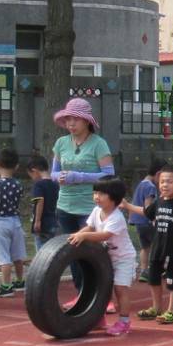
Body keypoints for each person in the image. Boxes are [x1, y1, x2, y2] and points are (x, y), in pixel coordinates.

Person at [51, 97, 115, 285]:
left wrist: (78, 177)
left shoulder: (98, 143)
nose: (71, 123)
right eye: (68, 119)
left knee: (93, 252)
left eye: (76, 119)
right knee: (72, 253)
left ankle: (100, 294)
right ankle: (81, 293)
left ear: (87, 121)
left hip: (90, 207)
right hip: (64, 207)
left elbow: (109, 174)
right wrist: (59, 177)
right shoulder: (61, 142)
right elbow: (53, 172)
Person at [70, 178, 137, 335]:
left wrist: (84, 236)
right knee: (101, 289)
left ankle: (124, 322)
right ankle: (98, 319)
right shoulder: (96, 211)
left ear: (114, 198)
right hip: (105, 258)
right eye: (95, 193)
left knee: (120, 289)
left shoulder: (117, 218)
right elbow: (91, 226)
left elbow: (104, 235)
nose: (96, 197)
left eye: (101, 194)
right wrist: (78, 234)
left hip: (123, 259)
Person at [138, 166, 173, 323]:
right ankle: (156, 307)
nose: (165, 185)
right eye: (162, 182)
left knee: (172, 279)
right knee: (153, 278)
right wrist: (127, 207)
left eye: (169, 181)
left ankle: (171, 311)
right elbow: (146, 212)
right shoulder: (159, 201)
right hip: (157, 248)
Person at [0, 149, 29, 298]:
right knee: (18, 254)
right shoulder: (18, 184)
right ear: (16, 167)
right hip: (15, 220)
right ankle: (20, 281)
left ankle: (6, 285)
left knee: (3, 256)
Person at [129, 163, 161, 282]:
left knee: (144, 247)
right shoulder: (150, 187)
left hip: (138, 222)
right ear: (158, 174)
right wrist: (153, 218)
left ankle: (143, 270)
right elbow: (148, 207)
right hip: (147, 221)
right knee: (155, 246)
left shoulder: (141, 183)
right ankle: (154, 269)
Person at [27, 154, 59, 253]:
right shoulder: (55, 184)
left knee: (42, 254)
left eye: (31, 175)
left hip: (43, 224)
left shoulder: (39, 184)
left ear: (34, 171)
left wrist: (37, 220)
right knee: (52, 252)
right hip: (53, 222)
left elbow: (40, 201)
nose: (32, 178)